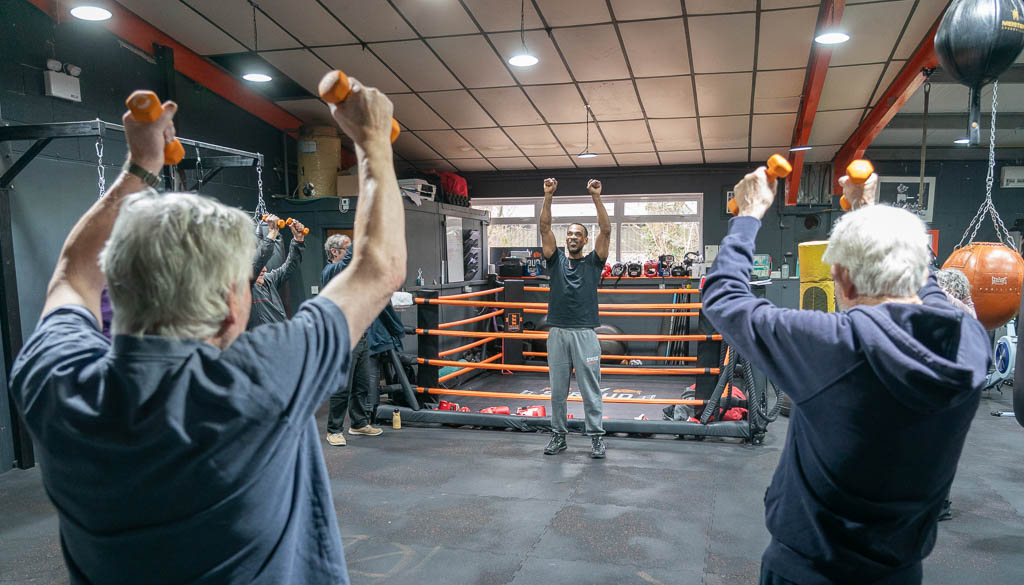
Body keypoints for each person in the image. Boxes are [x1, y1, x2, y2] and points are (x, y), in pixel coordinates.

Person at [9, 75, 405, 584]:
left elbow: (71, 272)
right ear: (228, 304)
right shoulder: (259, 380)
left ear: (120, 285)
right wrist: (372, 141)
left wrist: (140, 168)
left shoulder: (58, 380)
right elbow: (379, 267)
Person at [702, 166, 991, 585]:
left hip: (811, 572)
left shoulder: (835, 346)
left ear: (844, 280)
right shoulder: (968, 339)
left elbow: (722, 296)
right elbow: (924, 283)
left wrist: (748, 215)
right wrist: (867, 212)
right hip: (900, 572)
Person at [539, 178, 611, 458]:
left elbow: (606, 229)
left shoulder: (594, 262)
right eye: (568, 233)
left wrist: (596, 197)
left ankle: (596, 438)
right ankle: (558, 436)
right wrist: (548, 195)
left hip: (584, 333)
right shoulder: (554, 259)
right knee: (557, 391)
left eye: (577, 234)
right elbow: (544, 227)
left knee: (590, 390)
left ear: (584, 239)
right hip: (557, 332)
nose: (571, 237)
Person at [322, 243, 385, 445]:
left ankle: (358, 423)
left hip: (361, 337)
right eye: (346, 249)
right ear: (335, 252)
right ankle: (334, 430)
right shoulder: (332, 271)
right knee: (342, 388)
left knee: (362, 384)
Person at [248, 214, 307, 329]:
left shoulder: (269, 280)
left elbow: (290, 266)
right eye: (260, 266)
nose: (264, 269)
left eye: (264, 266)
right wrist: (273, 231)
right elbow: (259, 260)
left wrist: (298, 240)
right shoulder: (245, 286)